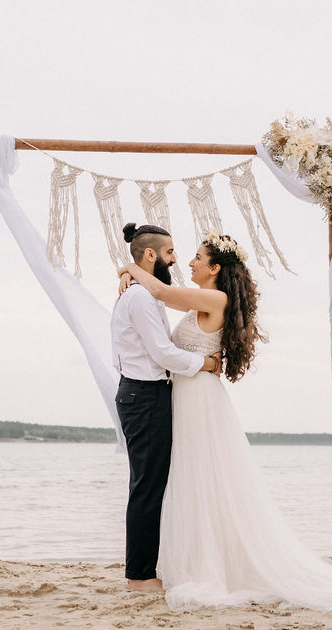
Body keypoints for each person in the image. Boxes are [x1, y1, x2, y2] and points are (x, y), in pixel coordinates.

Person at [118, 228, 332, 615]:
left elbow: (161, 293)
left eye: (196, 257)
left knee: (205, 477)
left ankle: (205, 564)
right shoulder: (203, 299)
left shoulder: (214, 297)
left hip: (199, 399)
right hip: (187, 395)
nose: (188, 261)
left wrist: (126, 268)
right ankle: (190, 560)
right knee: (192, 479)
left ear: (215, 268)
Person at [110, 223, 222, 593]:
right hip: (144, 395)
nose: (176, 259)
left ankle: (145, 570)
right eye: (171, 252)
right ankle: (140, 577)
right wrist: (204, 364)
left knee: (151, 484)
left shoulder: (145, 292)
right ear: (151, 255)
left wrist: (126, 270)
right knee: (147, 487)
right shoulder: (141, 296)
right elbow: (162, 352)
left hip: (146, 394)